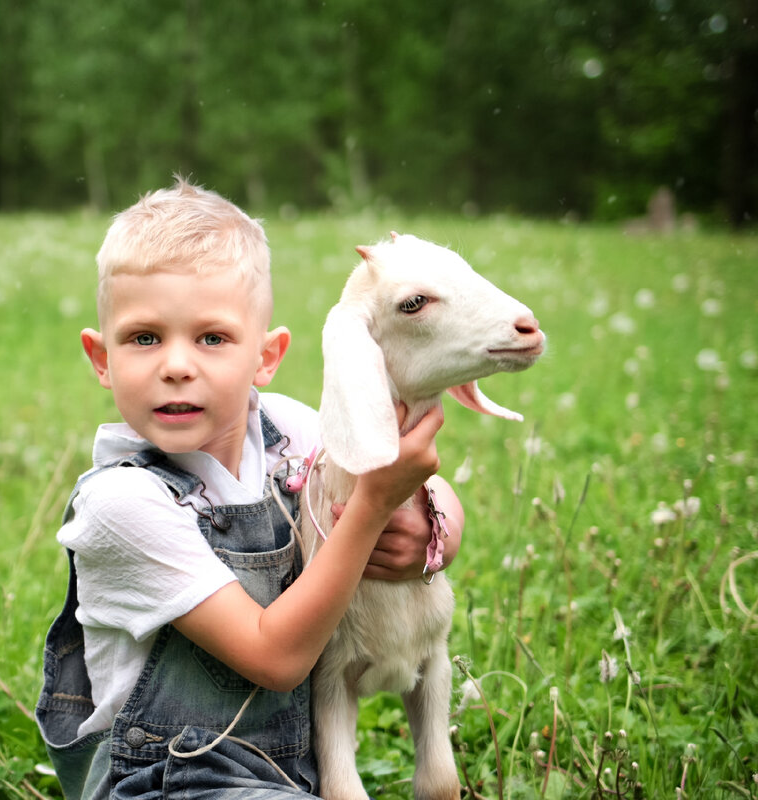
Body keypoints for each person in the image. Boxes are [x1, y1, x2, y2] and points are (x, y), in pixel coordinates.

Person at [37, 178, 464, 799]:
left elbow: (429, 489)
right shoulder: (120, 506)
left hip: (291, 773)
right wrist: (369, 508)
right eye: (144, 338)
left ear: (266, 357)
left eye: (212, 338)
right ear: (102, 359)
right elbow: (276, 660)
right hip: (170, 782)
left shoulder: (291, 431)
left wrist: (434, 529)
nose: (177, 364)